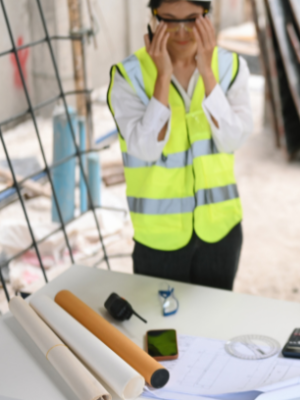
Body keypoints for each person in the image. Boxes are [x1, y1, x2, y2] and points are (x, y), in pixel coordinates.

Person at [107, 0, 252, 290]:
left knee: (215, 317)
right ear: (153, 18)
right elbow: (146, 149)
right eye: (170, 20)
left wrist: (207, 74)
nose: (182, 31)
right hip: (158, 239)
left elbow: (233, 139)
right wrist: (163, 76)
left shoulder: (230, 68)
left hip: (221, 232)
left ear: (207, 17)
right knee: (159, 320)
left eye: (193, 19)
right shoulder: (129, 76)